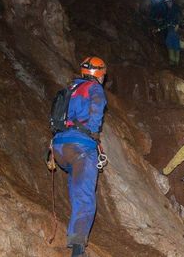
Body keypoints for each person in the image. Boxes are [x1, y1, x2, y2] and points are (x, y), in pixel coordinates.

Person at [51, 57, 108, 257]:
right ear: (99, 74)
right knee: (85, 197)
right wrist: (93, 132)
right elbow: (97, 108)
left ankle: (75, 230)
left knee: (77, 187)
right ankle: (77, 249)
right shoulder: (94, 89)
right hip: (80, 147)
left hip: (59, 147)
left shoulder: (71, 87)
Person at [162, 0, 181, 66]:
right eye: (167, 2)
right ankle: (172, 62)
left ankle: (176, 62)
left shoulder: (175, 8)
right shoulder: (168, 10)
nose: (168, 3)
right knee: (169, 44)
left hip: (175, 29)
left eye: (169, 2)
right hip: (170, 29)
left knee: (175, 44)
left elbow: (179, 16)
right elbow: (166, 21)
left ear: (172, 1)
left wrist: (178, 25)